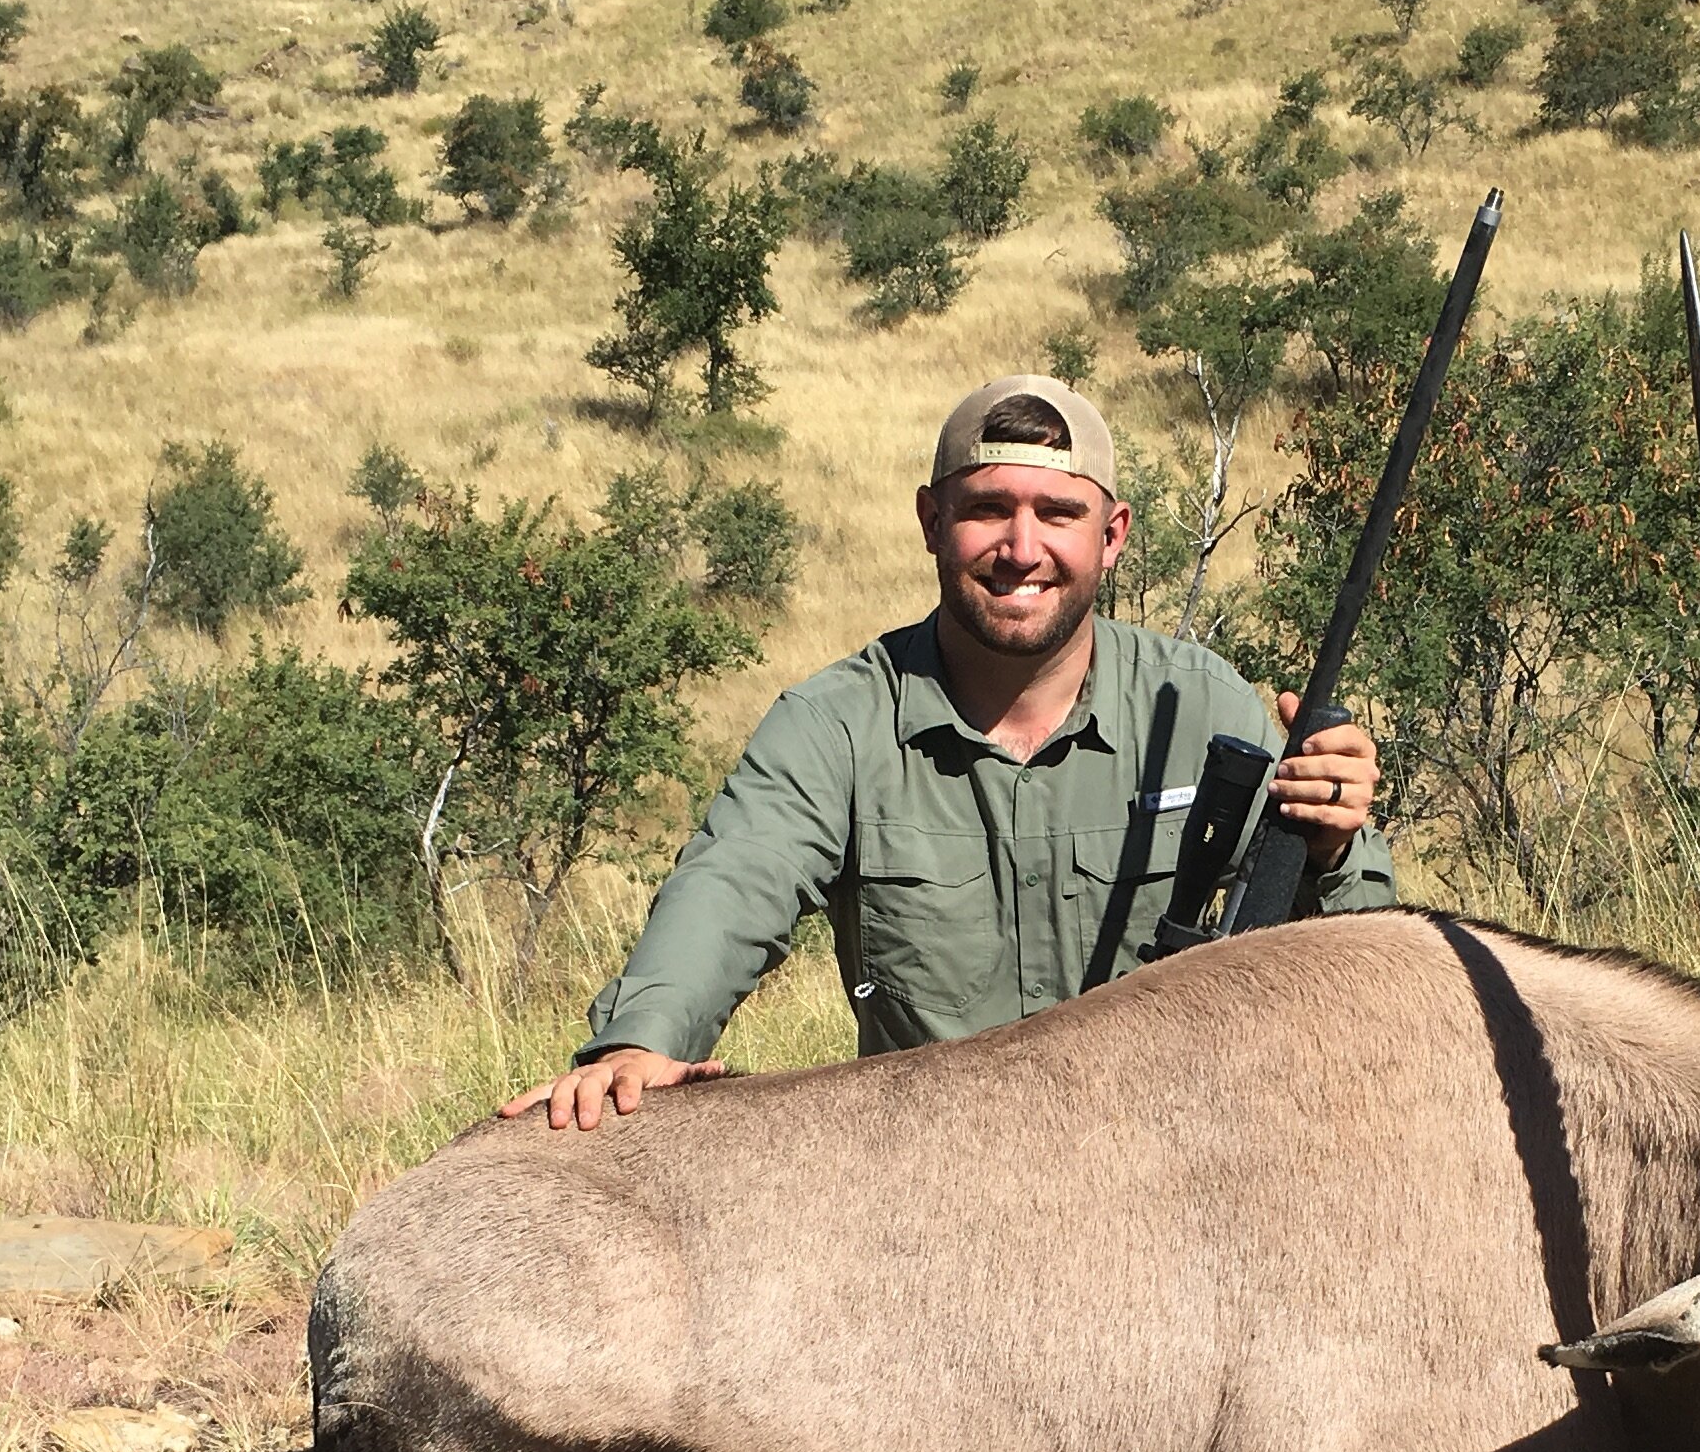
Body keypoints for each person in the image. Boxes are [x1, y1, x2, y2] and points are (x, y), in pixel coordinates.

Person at [512, 374, 1393, 1130]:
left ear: (1112, 535)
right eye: (987, 510)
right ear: (933, 522)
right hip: (929, 1179)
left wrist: (1333, 842)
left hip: (1165, 1158)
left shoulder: (1199, 702)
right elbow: (738, 877)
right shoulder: (838, 722)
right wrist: (641, 1045)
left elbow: (1350, 946)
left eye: (1058, 513)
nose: (1022, 548)